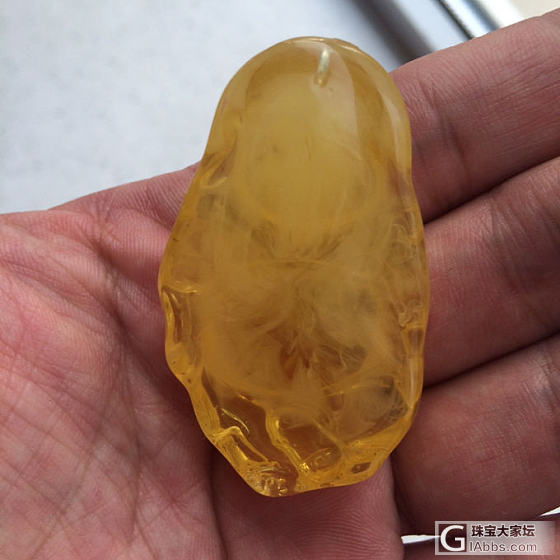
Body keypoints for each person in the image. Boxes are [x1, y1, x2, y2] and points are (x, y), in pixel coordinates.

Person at [1, 10, 559, 560]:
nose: (305, 178)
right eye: (279, 152)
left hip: (343, 402)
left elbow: (398, 312)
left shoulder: (374, 236)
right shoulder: (225, 228)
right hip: (251, 392)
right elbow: (189, 296)